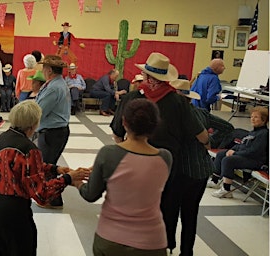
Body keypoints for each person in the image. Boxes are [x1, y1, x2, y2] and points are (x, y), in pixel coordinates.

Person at [110, 52, 210, 255]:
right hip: (167, 165)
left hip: (135, 162)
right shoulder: (178, 101)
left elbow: (117, 133)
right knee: (163, 207)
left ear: (146, 77)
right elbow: (200, 134)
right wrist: (208, 143)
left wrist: (125, 151)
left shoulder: (131, 98)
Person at [0, 100, 89, 256]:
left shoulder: (3, 138)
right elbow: (42, 194)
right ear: (34, 124)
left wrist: (55, 169)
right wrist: (67, 178)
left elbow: (21, 167)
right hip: (14, 210)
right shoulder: (29, 148)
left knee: (4, 250)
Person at [78, 98, 171, 256]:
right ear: (155, 124)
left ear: (124, 122)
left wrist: (77, 182)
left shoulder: (108, 154)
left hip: (111, 239)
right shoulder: (165, 157)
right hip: (153, 241)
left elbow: (91, 194)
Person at [167, 79, 234, 255]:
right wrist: (210, 142)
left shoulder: (173, 117)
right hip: (201, 170)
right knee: (190, 213)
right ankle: (187, 251)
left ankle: (169, 245)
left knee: (171, 211)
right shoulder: (202, 113)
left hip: (179, 171)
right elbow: (228, 127)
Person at [207, 106, 269, 198]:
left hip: (256, 161)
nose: (252, 119)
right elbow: (242, 144)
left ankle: (226, 190)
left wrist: (235, 153)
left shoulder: (264, 134)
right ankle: (215, 180)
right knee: (221, 154)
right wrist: (232, 150)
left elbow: (254, 151)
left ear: (263, 120)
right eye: (251, 117)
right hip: (246, 156)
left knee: (228, 160)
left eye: (256, 117)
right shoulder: (253, 132)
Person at [35, 55, 71, 209]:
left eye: (43, 68)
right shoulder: (57, 84)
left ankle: (54, 200)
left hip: (52, 132)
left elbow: (40, 111)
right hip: (55, 131)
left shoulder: (53, 88)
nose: (42, 71)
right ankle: (50, 197)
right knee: (50, 165)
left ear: (49, 70)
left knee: (48, 167)